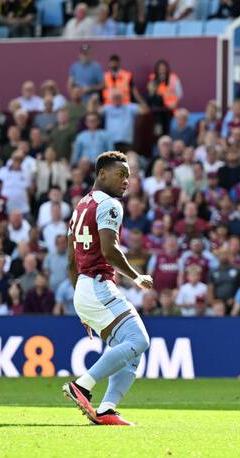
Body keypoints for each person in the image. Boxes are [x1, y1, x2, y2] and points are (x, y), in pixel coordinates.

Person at [62, 151, 154, 427]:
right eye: (120, 174)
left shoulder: (81, 206)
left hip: (86, 288)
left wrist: (82, 302)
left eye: (128, 176)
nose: (126, 181)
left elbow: (70, 261)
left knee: (130, 349)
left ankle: (106, 409)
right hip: (99, 285)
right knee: (139, 341)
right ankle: (82, 386)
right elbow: (109, 249)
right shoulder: (109, 205)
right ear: (102, 174)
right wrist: (136, 277)